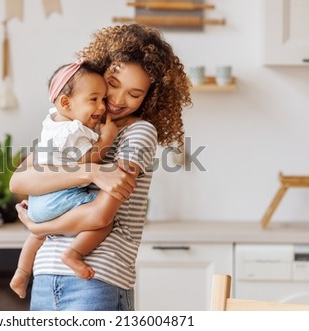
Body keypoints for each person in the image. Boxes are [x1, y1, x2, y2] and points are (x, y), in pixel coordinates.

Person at [10, 24, 192, 311]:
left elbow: (99, 215)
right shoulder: (74, 127)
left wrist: (37, 226)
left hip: (96, 280)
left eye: (134, 94)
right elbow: (19, 182)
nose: (118, 100)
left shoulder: (139, 133)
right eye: (113, 84)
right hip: (45, 276)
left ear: (150, 97)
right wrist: (91, 171)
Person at [10, 59, 119, 299]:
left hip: (38, 201)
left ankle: (21, 272)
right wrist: (106, 140)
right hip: (60, 197)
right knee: (105, 218)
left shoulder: (52, 123)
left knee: (37, 234)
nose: (102, 107)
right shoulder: (74, 131)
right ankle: (74, 254)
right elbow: (85, 163)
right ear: (65, 102)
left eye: (103, 99)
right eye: (94, 99)